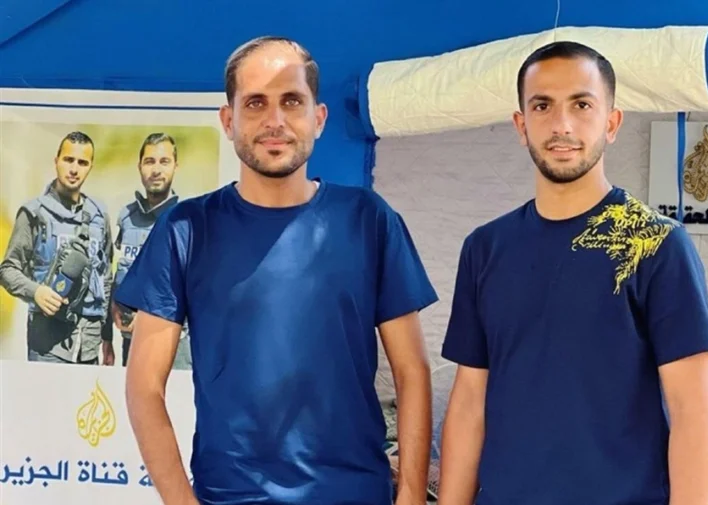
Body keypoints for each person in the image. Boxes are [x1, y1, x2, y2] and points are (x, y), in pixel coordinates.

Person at [115, 36, 437, 505]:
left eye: (291, 101)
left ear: (318, 118)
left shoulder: (368, 219)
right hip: (230, 496)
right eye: (255, 103)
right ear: (229, 120)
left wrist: (410, 496)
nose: (275, 121)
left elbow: (412, 372)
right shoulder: (186, 229)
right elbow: (144, 386)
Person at [438, 41, 708, 505]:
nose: (562, 125)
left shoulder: (655, 243)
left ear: (612, 123)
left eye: (582, 105)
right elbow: (470, 402)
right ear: (520, 125)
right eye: (542, 106)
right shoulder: (485, 249)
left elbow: (693, 413)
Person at [0, 131, 115, 365]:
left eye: (82, 162)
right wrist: (36, 292)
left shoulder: (98, 215)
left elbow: (105, 275)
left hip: (89, 347)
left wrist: (107, 335)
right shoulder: (34, 213)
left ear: (90, 167)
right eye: (68, 160)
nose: (74, 169)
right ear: (56, 161)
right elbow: (7, 270)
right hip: (47, 344)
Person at [112, 132, 192, 369]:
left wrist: (149, 319)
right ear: (139, 167)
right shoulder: (126, 218)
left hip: (174, 348)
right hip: (132, 344)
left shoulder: (188, 221)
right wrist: (116, 306)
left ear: (175, 166)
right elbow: (120, 274)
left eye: (164, 161)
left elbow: (194, 291)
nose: (156, 170)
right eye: (149, 161)